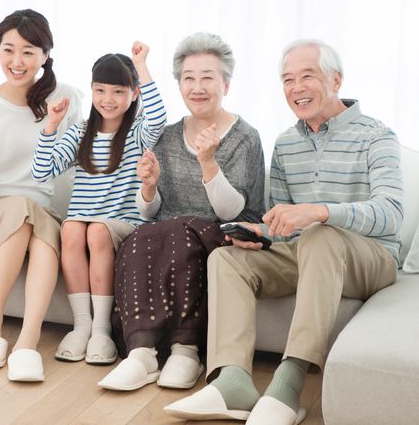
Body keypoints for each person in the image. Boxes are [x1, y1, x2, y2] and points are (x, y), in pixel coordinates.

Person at [165, 39, 403, 424]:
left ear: (336, 79)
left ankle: (288, 387)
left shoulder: (376, 136)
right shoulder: (287, 143)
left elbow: (391, 214)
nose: (296, 88)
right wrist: (257, 231)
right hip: (307, 251)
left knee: (321, 235)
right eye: (287, 80)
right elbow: (284, 224)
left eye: (307, 76)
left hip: (370, 258)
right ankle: (233, 383)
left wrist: (320, 213)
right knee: (227, 257)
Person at [97, 32, 266, 392]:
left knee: (179, 229)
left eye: (208, 77)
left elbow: (235, 209)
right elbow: (151, 211)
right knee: (144, 235)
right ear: (179, 85)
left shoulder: (244, 137)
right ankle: (141, 355)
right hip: (168, 233)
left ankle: (185, 351)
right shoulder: (168, 135)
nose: (197, 86)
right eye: (188, 78)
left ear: (226, 84)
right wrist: (149, 186)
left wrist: (208, 163)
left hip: (222, 234)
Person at [0, 9, 82, 382]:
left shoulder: (67, 99)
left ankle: (25, 339)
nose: (16, 61)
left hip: (39, 211)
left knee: (35, 224)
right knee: (23, 213)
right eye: (8, 50)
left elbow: (75, 163)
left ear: (45, 54)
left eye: (27, 51)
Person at [32, 42, 167, 366]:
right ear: (91, 91)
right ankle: (82, 326)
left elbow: (159, 117)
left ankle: (102, 330)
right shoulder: (81, 133)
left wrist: (141, 65)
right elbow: (41, 172)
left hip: (124, 223)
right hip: (85, 221)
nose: (108, 99)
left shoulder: (137, 133)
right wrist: (50, 125)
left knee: (95, 232)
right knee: (73, 229)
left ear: (134, 93)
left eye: (118, 91)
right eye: (100, 90)